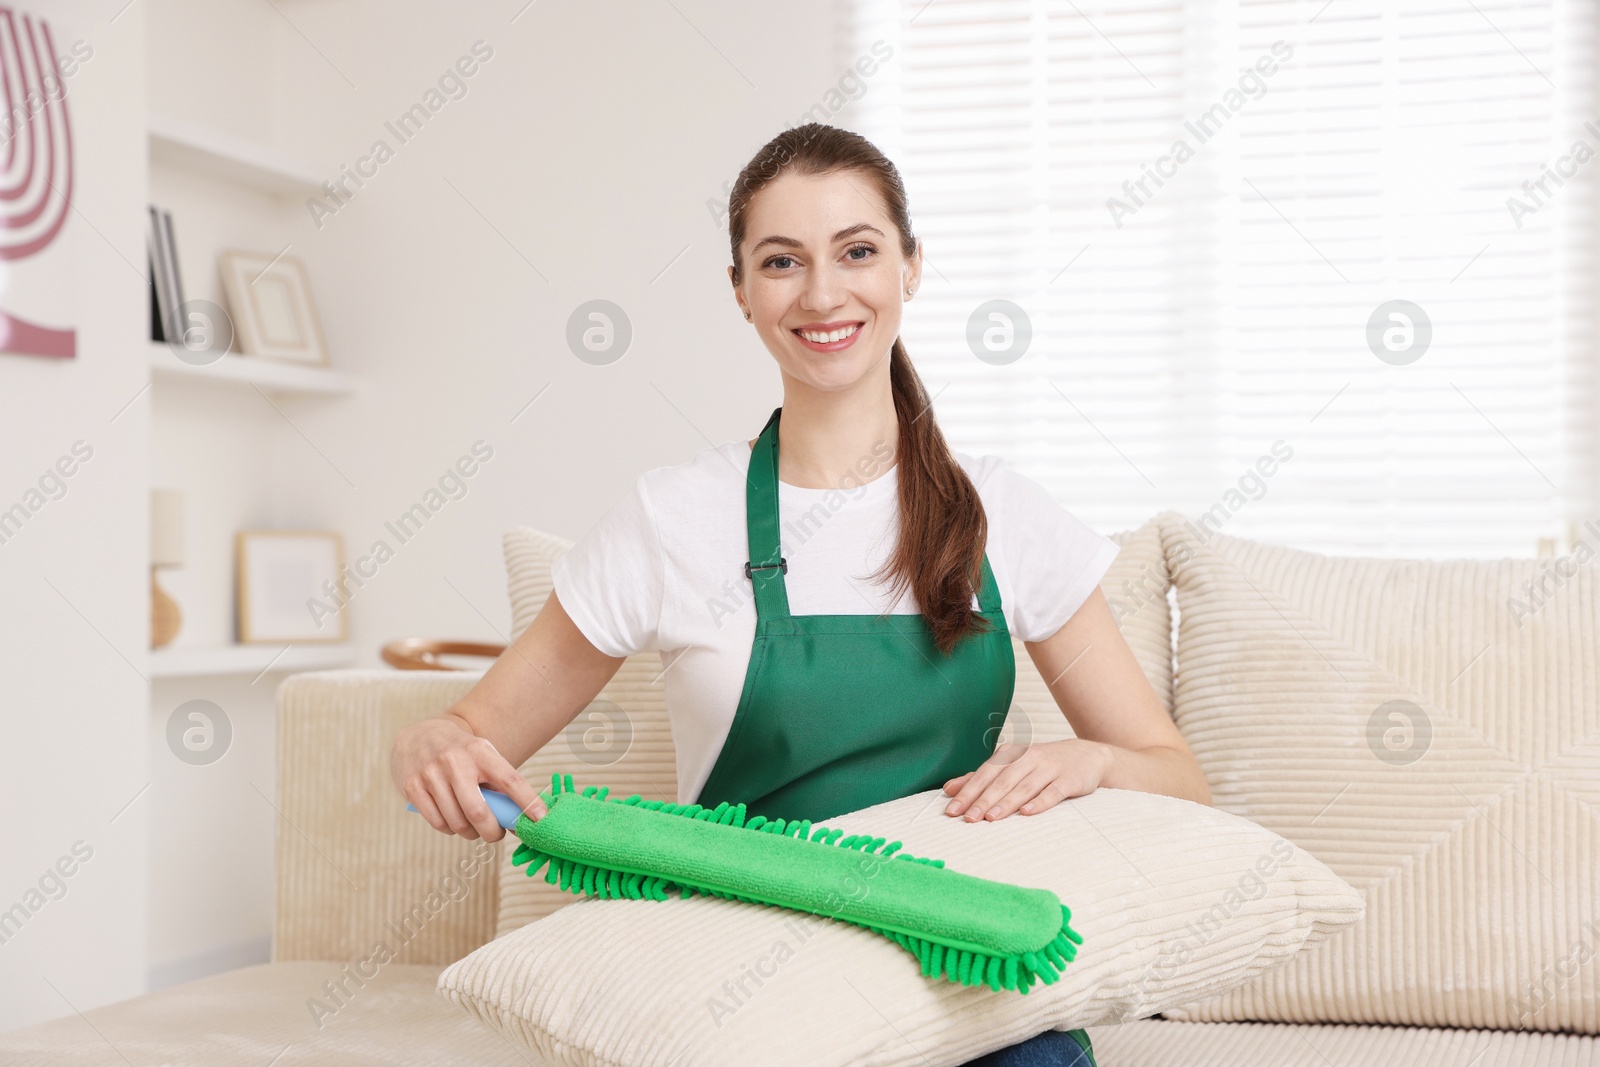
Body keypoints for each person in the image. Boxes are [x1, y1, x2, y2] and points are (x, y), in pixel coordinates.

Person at [391, 122, 1211, 1067]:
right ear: (741, 292)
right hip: (738, 986)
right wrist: (430, 742)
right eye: (782, 261)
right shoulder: (672, 518)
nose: (824, 293)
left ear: (910, 266)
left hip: (950, 978)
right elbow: (474, 732)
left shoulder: (1003, 516)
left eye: (857, 251)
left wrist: (1096, 764)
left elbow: (1179, 780)